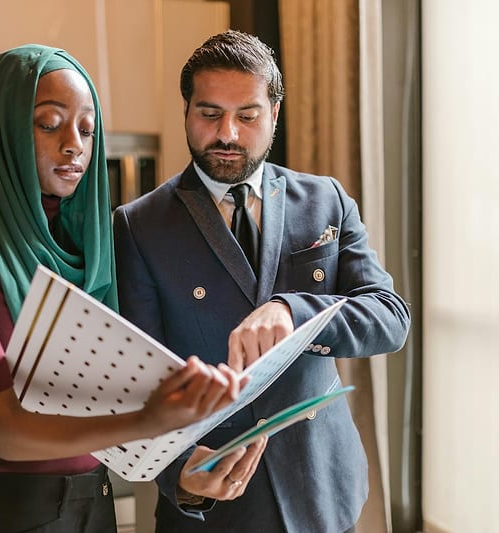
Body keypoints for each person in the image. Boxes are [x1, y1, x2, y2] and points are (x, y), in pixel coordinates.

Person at [0, 44, 245, 533]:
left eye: (87, 130)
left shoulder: (89, 243)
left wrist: (186, 465)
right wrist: (154, 421)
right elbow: (4, 431)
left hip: (97, 498)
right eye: (50, 124)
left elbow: (105, 402)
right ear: (3, 129)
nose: (75, 146)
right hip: (8, 510)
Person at [113, 30, 411, 533]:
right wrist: (182, 479)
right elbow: (140, 385)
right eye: (209, 113)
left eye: (247, 116)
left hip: (324, 490)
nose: (227, 132)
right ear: (186, 111)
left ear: (275, 112)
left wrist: (293, 310)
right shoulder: (137, 225)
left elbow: (390, 318)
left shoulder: (327, 201)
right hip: (216, 507)